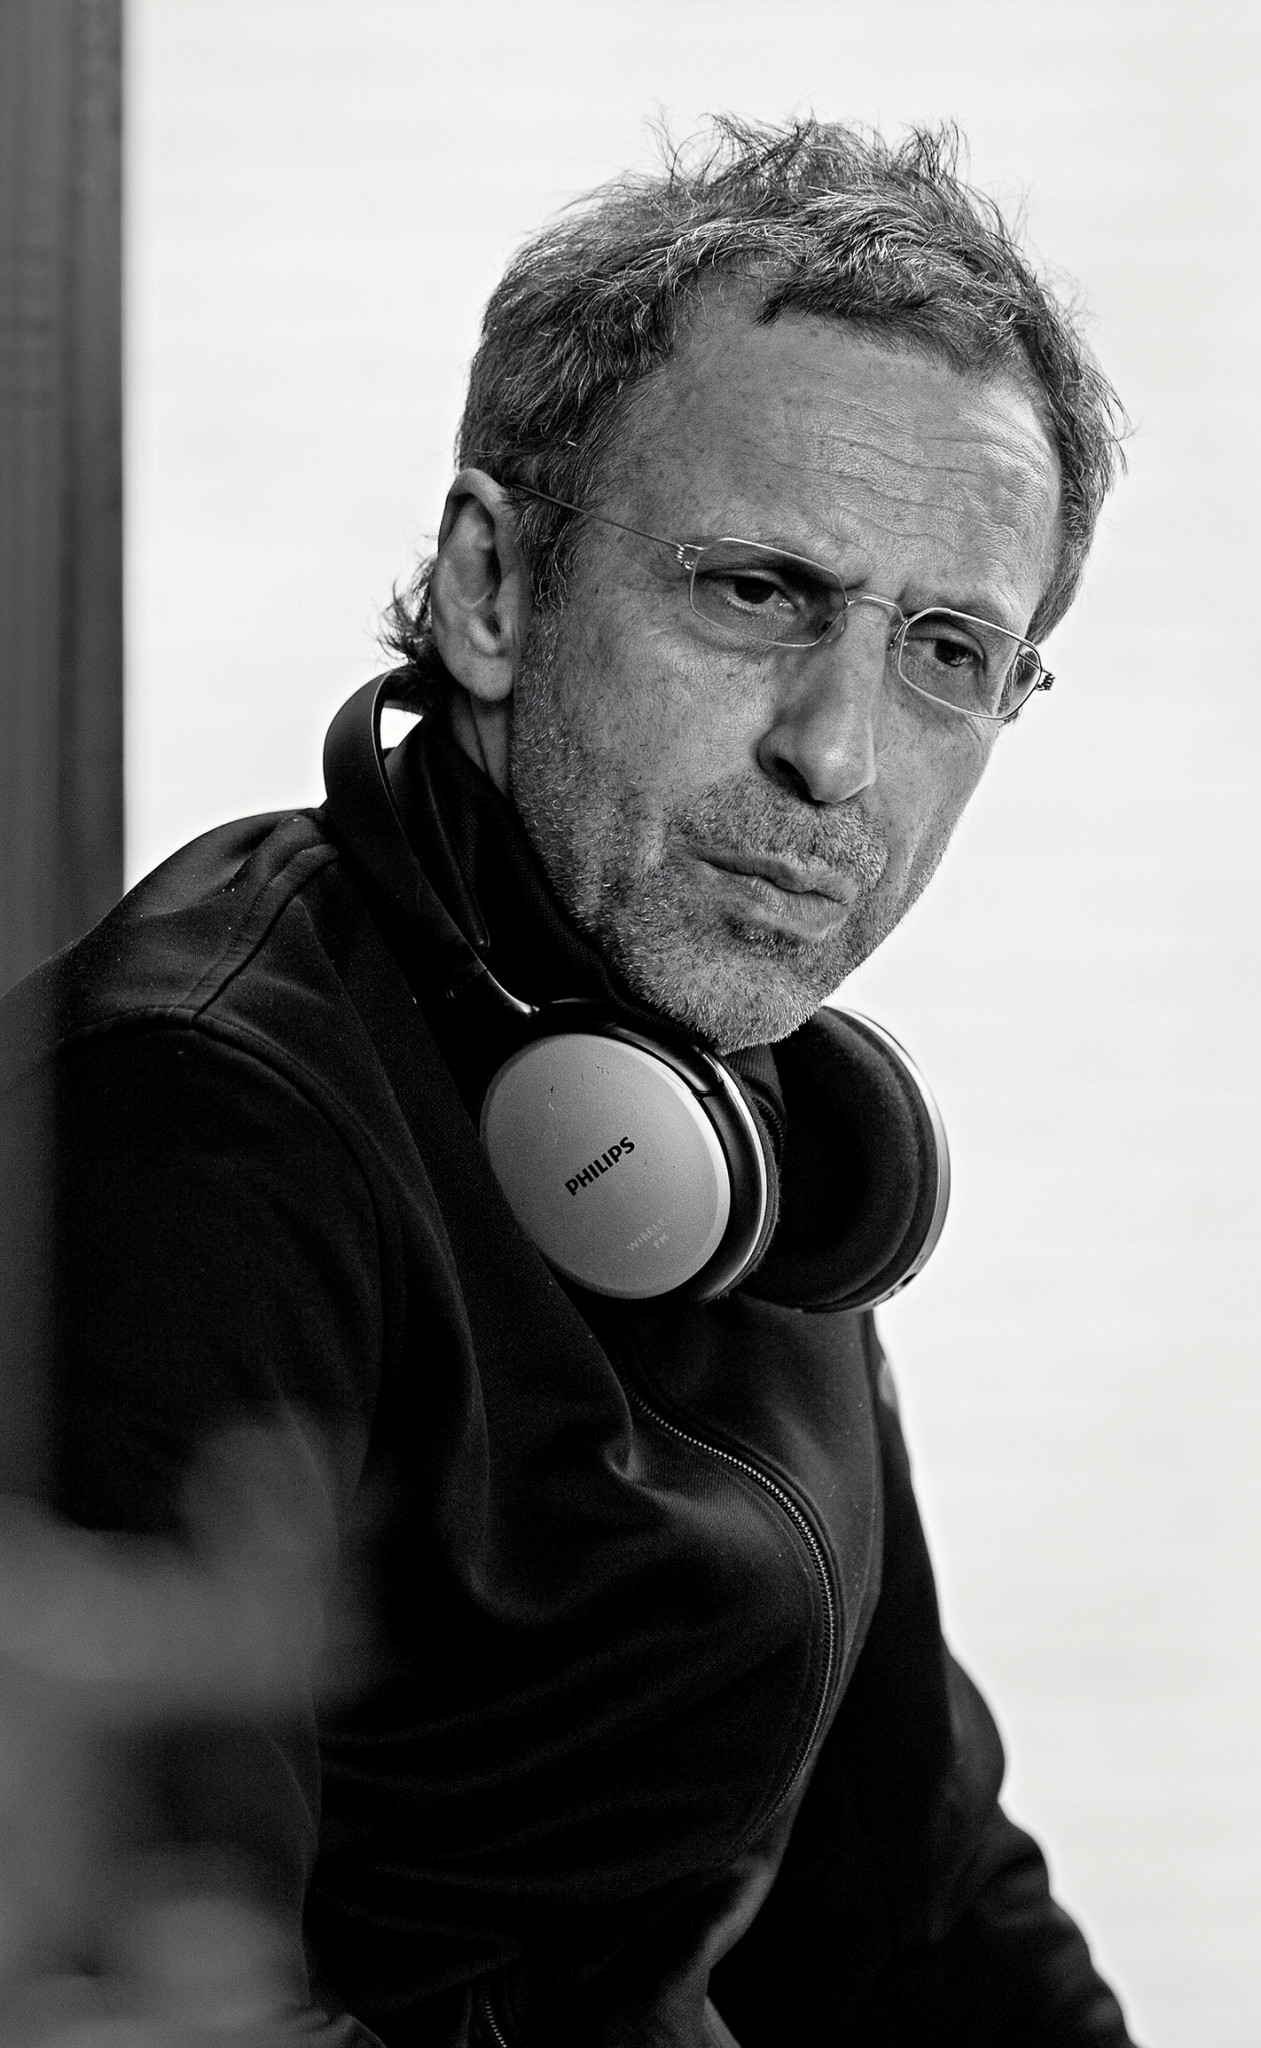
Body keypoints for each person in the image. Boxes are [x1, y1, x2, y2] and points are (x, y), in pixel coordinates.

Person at [0, 118, 1136, 2045]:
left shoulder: (744, 1126)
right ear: (493, 587)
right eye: (757, 591)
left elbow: (916, 1913)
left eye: (947, 650)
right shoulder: (189, 1122)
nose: (838, 757)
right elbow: (147, 2010)